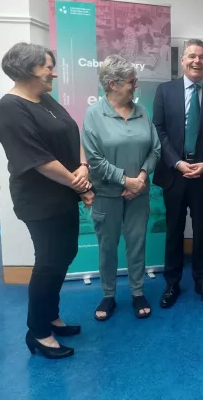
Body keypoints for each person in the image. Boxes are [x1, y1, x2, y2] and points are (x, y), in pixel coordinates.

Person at [0, 42, 94, 359]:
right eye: (47, 66)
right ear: (27, 70)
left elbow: (71, 134)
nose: (54, 72)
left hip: (64, 191)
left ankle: (51, 316)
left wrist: (83, 168)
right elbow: (37, 159)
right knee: (49, 262)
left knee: (65, 254)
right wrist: (78, 182)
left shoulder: (45, 98)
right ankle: (38, 332)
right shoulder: (10, 108)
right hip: (39, 200)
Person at [152, 39, 203, 308]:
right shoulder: (165, 91)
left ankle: (201, 281)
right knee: (173, 230)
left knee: (201, 231)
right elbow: (158, 131)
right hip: (174, 173)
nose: (197, 61)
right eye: (192, 56)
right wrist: (176, 163)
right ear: (183, 60)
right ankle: (171, 284)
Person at [81, 55, 161, 321]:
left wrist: (139, 178)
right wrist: (125, 181)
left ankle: (138, 292)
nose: (135, 85)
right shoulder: (94, 114)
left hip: (138, 194)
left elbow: (155, 149)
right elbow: (94, 159)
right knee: (107, 246)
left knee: (137, 245)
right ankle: (109, 295)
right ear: (113, 84)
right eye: (131, 82)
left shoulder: (142, 112)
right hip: (107, 195)